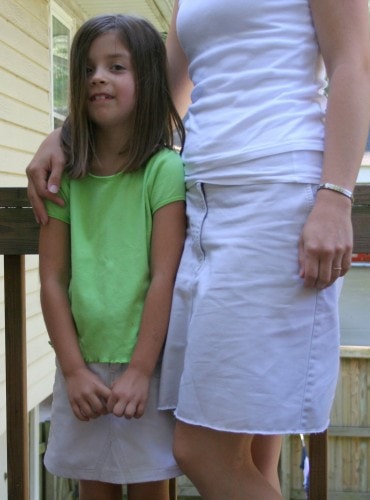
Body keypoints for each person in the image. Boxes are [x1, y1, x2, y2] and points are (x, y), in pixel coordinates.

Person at [27, 1, 370, 499]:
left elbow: (352, 63)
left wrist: (336, 195)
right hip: (200, 199)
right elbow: (158, 89)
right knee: (249, 455)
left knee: (200, 450)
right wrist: (67, 134)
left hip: (273, 190)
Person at [38, 14, 186, 500]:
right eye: (87, 69)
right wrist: (73, 369)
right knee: (92, 489)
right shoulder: (67, 174)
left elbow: (165, 275)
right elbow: (53, 280)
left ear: (146, 80)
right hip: (79, 365)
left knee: (150, 489)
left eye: (116, 66)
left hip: (147, 365)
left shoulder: (163, 170)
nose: (97, 77)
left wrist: (142, 370)